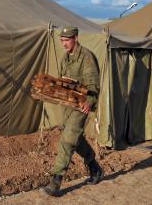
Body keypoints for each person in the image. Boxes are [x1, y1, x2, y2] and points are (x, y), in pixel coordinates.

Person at [44, 26, 103, 197]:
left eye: (67, 40)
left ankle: (56, 180)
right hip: (68, 105)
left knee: (68, 139)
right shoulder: (65, 58)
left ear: (76, 38)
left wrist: (90, 102)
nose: (64, 44)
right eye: (62, 40)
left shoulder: (86, 57)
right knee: (75, 138)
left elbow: (93, 85)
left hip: (82, 105)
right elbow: (63, 82)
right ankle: (94, 166)